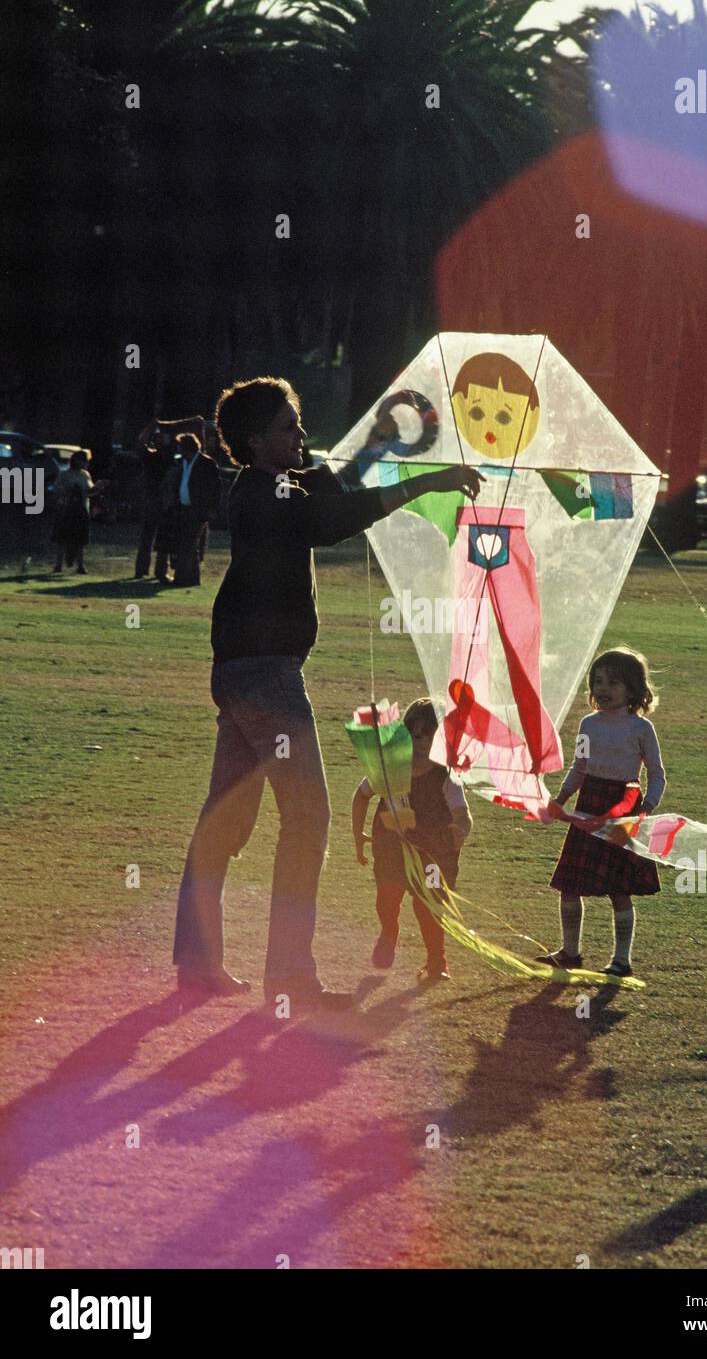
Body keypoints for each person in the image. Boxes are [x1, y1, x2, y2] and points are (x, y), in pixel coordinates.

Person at [171, 375, 483, 1003]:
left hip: (244, 670)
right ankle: (288, 976)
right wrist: (426, 481)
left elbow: (329, 495)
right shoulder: (260, 491)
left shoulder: (279, 481)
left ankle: (197, 964)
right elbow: (335, 519)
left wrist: (317, 460)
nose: (301, 434)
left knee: (224, 824)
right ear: (255, 440)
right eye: (288, 426)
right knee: (308, 818)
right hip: (265, 676)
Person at [537, 647, 665, 977]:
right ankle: (570, 952)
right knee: (570, 884)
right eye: (598, 681)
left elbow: (657, 773)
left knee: (618, 890)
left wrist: (646, 807)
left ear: (634, 690)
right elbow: (579, 767)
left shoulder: (641, 729)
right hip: (588, 806)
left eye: (614, 682)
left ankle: (621, 960)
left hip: (624, 811)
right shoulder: (588, 725)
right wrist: (561, 799)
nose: (603, 689)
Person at [351, 697, 473, 982]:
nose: (420, 741)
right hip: (391, 843)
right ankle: (389, 931)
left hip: (434, 849)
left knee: (428, 905)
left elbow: (462, 814)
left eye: (428, 734)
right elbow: (362, 795)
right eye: (414, 733)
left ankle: (436, 962)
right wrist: (358, 837)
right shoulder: (390, 767)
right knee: (388, 894)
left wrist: (460, 830)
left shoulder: (447, 776)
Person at [134, 417, 198, 580]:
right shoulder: (166, 459)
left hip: (157, 500)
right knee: (159, 537)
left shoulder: (159, 457)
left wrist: (152, 426)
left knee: (152, 537)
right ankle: (158, 571)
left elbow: (141, 442)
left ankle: (144, 570)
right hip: (161, 500)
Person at [168, 431, 221, 587]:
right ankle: (193, 579)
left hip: (199, 510)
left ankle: (180, 578)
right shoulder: (183, 463)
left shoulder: (206, 463)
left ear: (187, 448)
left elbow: (216, 488)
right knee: (191, 546)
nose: (178, 450)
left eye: (180, 447)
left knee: (188, 543)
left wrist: (212, 509)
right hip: (184, 508)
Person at [50, 449, 104, 574]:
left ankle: (80, 565)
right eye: (85, 460)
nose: (87, 463)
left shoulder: (85, 474)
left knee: (80, 539)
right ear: (77, 461)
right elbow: (57, 490)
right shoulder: (64, 474)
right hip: (67, 509)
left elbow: (90, 491)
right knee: (62, 538)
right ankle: (58, 565)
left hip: (81, 509)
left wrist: (98, 487)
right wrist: (69, 491)